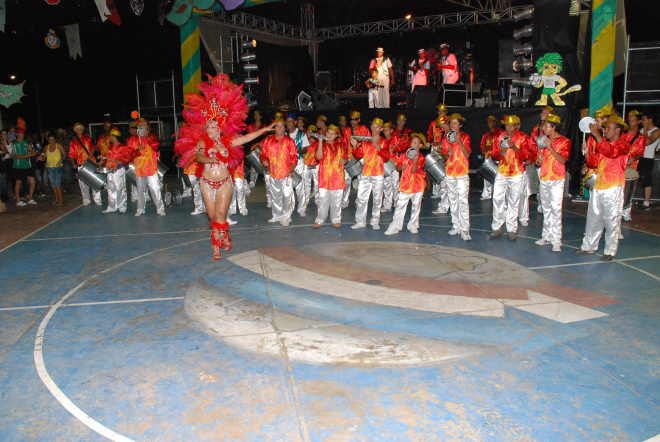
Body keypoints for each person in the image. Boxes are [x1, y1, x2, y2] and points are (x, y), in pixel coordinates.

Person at [175, 74, 275, 260]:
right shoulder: (203, 143)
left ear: (219, 128)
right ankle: (224, 235)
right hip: (206, 182)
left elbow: (245, 138)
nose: (210, 130)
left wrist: (264, 130)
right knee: (212, 217)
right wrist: (208, 159)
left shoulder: (228, 142)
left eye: (213, 127)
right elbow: (198, 156)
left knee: (221, 215)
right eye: (208, 127)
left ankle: (216, 246)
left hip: (224, 182)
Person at [576, 115, 631, 261]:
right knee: (593, 219)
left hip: (613, 187)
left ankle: (610, 251)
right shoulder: (604, 145)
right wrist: (588, 153)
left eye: (608, 128)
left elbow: (611, 152)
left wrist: (596, 134)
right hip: (599, 186)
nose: (605, 130)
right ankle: (589, 247)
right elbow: (594, 163)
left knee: (611, 219)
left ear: (618, 130)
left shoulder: (624, 145)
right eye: (604, 128)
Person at [490, 115, 530, 241]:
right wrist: (499, 154)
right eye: (507, 125)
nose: (509, 128)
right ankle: (497, 227)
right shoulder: (499, 136)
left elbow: (525, 156)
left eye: (512, 126)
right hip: (502, 171)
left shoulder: (523, 137)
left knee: (514, 201)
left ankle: (512, 229)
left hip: (517, 173)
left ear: (517, 126)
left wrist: (514, 147)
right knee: (497, 198)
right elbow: (494, 153)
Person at [534, 114, 571, 252]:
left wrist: (550, 147)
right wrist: (539, 160)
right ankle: (546, 235)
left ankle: (556, 240)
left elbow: (562, 160)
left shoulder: (565, 141)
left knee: (556, 209)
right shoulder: (543, 141)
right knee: (546, 208)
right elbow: (541, 161)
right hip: (544, 177)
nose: (543, 128)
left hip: (556, 179)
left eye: (546, 125)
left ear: (553, 127)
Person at [350, 117, 389, 230]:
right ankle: (360, 221)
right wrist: (354, 146)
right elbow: (358, 155)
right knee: (361, 198)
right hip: (366, 173)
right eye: (373, 126)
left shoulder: (383, 141)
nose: (374, 128)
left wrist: (378, 146)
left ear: (381, 129)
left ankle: (375, 221)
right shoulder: (366, 141)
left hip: (378, 174)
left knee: (377, 199)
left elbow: (386, 158)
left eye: (377, 126)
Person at [384, 134, 426, 235]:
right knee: (400, 205)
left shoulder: (421, 157)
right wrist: (401, 167)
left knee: (416, 205)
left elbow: (414, 171)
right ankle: (395, 226)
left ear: (420, 146)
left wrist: (415, 163)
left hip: (418, 185)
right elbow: (397, 167)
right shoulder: (404, 155)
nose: (412, 144)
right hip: (405, 184)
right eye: (412, 142)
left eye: (415, 143)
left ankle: (413, 225)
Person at [260, 117, 298, 227]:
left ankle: (286, 217)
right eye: (277, 125)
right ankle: (276, 216)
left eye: (282, 125)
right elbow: (263, 154)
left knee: (287, 195)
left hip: (286, 174)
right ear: (274, 128)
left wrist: (291, 170)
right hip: (273, 173)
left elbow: (294, 158)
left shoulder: (289, 141)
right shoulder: (268, 140)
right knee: (275, 196)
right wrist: (263, 160)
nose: (280, 127)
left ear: (285, 128)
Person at [442, 113, 472, 241]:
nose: (453, 125)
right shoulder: (445, 139)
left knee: (463, 201)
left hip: (462, 173)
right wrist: (447, 155)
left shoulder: (465, 137)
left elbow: (467, 154)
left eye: (455, 122)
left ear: (460, 125)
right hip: (450, 173)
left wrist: (459, 141)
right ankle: (456, 225)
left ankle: (465, 228)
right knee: (452, 199)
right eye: (451, 123)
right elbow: (443, 157)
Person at [127, 118, 165, 216]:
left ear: (148, 127)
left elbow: (156, 147)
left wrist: (148, 138)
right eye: (141, 125)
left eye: (145, 124)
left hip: (151, 168)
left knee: (155, 188)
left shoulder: (153, 137)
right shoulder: (132, 139)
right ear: (138, 127)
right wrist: (136, 150)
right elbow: (129, 154)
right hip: (139, 169)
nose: (143, 126)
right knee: (140, 190)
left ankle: (160, 209)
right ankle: (140, 209)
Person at [313, 124, 347, 228]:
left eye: (333, 133)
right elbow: (318, 157)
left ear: (336, 135)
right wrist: (319, 142)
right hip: (325, 178)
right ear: (325, 133)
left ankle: (336, 219)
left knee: (337, 201)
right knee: (323, 200)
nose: (330, 135)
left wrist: (345, 160)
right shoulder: (321, 145)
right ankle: (319, 221)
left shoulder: (340, 146)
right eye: (328, 133)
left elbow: (346, 158)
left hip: (338, 177)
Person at [620, 110, 646, 221]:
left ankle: (626, 211)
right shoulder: (622, 134)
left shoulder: (641, 137)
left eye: (633, 121)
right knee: (619, 188)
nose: (631, 123)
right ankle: (617, 210)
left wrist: (633, 159)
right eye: (629, 121)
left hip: (632, 166)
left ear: (639, 121)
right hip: (620, 164)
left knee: (629, 190)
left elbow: (640, 153)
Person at [69, 122, 101, 205]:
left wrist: (89, 157)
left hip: (90, 162)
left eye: (81, 129)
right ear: (75, 131)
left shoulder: (88, 138)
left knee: (94, 180)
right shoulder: (73, 142)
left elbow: (93, 148)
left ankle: (97, 199)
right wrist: (73, 164)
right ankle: (86, 199)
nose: (80, 130)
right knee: (83, 183)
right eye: (78, 129)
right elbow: (71, 155)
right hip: (81, 164)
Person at [343, 111, 370, 209]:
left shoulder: (364, 129)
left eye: (355, 119)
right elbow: (345, 145)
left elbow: (368, 142)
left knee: (361, 180)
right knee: (346, 180)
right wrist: (345, 156)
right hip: (350, 158)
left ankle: (359, 201)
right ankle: (345, 201)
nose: (352, 121)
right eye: (351, 119)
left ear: (359, 120)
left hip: (361, 157)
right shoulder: (347, 130)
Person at [101, 127, 131, 214]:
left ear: (114, 137)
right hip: (110, 170)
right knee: (111, 188)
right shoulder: (110, 146)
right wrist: (104, 160)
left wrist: (121, 161)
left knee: (120, 188)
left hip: (118, 170)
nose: (109, 137)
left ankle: (122, 207)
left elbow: (128, 157)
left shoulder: (122, 147)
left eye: (110, 136)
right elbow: (110, 157)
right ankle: (112, 206)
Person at [529, 106, 554, 212]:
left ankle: (551, 204)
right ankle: (542, 203)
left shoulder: (553, 129)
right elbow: (532, 143)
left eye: (545, 112)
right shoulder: (537, 128)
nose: (542, 113)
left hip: (551, 159)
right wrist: (537, 154)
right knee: (541, 182)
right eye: (542, 112)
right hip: (540, 158)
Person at [286, 112, 310, 217]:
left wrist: (296, 151)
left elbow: (305, 150)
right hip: (287, 163)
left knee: (300, 186)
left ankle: (302, 209)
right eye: (287, 121)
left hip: (299, 162)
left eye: (290, 121)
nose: (289, 124)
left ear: (295, 122)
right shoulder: (284, 134)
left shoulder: (301, 133)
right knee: (288, 187)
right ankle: (289, 208)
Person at [638, 111, 660, 210]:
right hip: (639, 157)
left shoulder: (656, 131)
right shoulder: (642, 130)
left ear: (650, 120)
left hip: (647, 158)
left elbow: (647, 142)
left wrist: (646, 129)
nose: (642, 121)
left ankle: (646, 203)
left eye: (644, 119)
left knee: (646, 179)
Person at [12, 122, 37, 206]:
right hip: (19, 166)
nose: (22, 135)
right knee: (18, 183)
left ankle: (30, 199)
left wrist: (34, 153)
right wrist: (30, 154)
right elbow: (18, 156)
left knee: (33, 182)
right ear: (17, 134)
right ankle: (18, 200)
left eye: (23, 133)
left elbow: (31, 150)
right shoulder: (15, 144)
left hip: (27, 165)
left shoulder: (26, 141)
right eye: (20, 133)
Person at [480, 116, 503, 200]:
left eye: (490, 122)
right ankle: (487, 193)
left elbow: (500, 143)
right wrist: (483, 152)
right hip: (488, 157)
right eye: (488, 122)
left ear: (494, 123)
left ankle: (498, 194)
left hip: (498, 157)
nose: (489, 124)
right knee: (487, 176)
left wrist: (490, 147)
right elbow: (482, 145)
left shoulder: (500, 132)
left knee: (498, 176)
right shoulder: (486, 135)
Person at [380, 122, 401, 212]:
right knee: (387, 185)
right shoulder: (383, 141)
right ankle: (387, 205)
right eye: (384, 130)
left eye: (387, 130)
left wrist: (394, 150)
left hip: (395, 164)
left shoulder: (395, 138)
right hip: (386, 165)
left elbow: (400, 149)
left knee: (395, 185)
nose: (385, 132)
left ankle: (397, 204)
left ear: (392, 130)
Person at [45, 134, 66, 205]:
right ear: (48, 139)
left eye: (53, 140)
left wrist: (61, 160)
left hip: (58, 168)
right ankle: (56, 199)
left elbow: (65, 155)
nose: (51, 141)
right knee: (53, 184)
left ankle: (60, 199)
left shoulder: (59, 146)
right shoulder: (46, 147)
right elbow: (44, 157)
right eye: (50, 140)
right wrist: (40, 158)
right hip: (50, 167)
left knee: (58, 184)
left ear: (55, 140)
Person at [303, 125, 320, 207]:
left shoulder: (318, 143)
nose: (309, 133)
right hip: (306, 165)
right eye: (308, 131)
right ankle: (306, 200)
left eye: (311, 132)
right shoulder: (304, 142)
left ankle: (317, 200)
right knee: (306, 184)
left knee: (317, 183)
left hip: (316, 165)